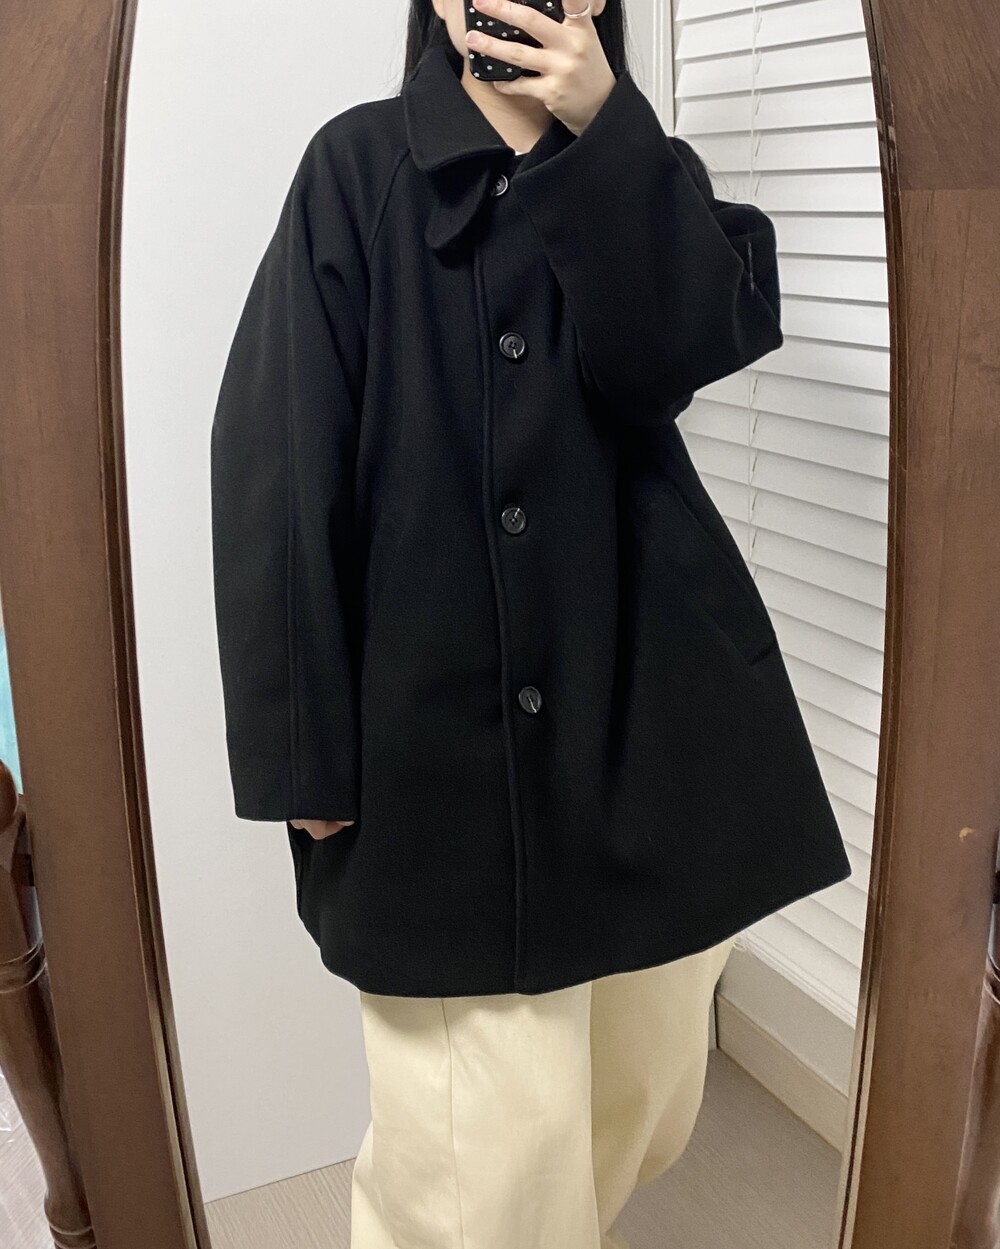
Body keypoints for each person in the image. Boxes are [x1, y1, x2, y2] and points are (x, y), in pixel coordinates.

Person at [210, 0, 853, 1244]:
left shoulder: (642, 168)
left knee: (644, 1099)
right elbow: (278, 459)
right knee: (477, 1168)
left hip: (644, 718)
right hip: (428, 739)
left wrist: (602, 126)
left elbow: (673, 356)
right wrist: (300, 751)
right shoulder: (357, 167)